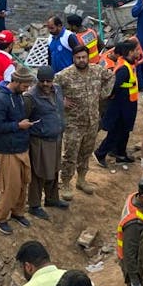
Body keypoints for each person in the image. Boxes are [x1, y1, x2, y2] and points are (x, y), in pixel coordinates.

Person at [56, 45, 114, 199]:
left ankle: (81, 179)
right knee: (70, 155)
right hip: (73, 123)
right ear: (73, 58)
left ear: (88, 57)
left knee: (86, 153)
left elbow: (111, 77)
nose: (81, 60)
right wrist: (61, 101)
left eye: (84, 57)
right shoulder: (65, 75)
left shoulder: (97, 70)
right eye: (78, 57)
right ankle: (66, 183)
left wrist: (102, 94)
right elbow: (49, 88)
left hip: (92, 122)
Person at [0, 66, 37, 235]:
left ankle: (18, 212)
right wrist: (18, 125)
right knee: (11, 186)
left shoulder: (18, 96)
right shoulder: (1, 99)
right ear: (16, 82)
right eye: (25, 86)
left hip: (21, 146)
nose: (27, 89)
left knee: (24, 182)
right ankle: (0, 218)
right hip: (8, 150)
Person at [23, 66, 67, 219]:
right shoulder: (30, 97)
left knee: (54, 170)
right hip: (40, 141)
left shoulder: (58, 90)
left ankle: (52, 198)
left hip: (56, 138)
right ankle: (34, 205)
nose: (46, 84)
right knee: (39, 173)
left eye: (49, 81)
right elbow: (24, 120)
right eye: (42, 81)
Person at [94, 41, 140, 167]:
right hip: (121, 105)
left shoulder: (129, 64)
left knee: (125, 130)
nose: (138, 52)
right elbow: (113, 87)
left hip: (129, 103)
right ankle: (100, 153)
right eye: (136, 50)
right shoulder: (124, 69)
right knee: (116, 131)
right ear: (130, 52)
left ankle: (120, 153)